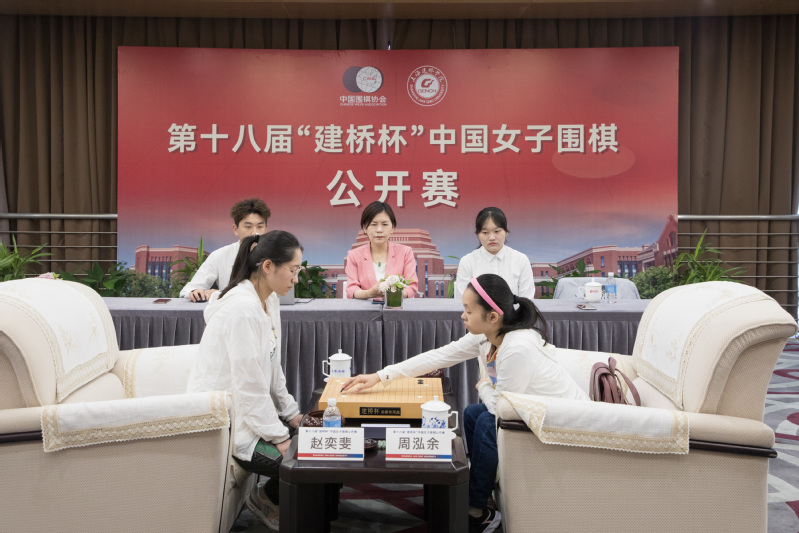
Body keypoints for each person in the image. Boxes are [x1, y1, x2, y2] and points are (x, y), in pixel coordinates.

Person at [342, 274, 587, 533]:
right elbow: (439, 356)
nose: (463, 316)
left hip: (559, 422)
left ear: (492, 316)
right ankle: (480, 495)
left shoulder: (517, 347)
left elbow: (501, 408)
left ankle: (476, 511)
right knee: (472, 413)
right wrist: (380, 376)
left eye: (469, 311)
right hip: (530, 411)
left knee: (485, 421)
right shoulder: (488, 335)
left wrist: (484, 386)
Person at [186, 230, 304, 530]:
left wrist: (291, 413)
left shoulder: (268, 300)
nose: (296, 279)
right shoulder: (242, 308)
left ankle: (271, 498)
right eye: (293, 270)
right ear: (268, 266)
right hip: (226, 421)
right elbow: (248, 386)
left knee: (318, 441)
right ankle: (268, 499)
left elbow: (272, 364)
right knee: (304, 463)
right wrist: (279, 437)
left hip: (247, 411)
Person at [179, 197, 270, 302]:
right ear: (235, 229)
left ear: (266, 228)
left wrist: (222, 294)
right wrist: (194, 292)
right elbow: (189, 289)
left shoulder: (279, 254)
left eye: (260, 227)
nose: (255, 233)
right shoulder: (219, 256)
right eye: (248, 227)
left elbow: (275, 296)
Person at [454, 207, 535, 301]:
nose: (492, 237)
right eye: (485, 232)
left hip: (514, 311)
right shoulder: (467, 262)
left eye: (497, 231)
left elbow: (527, 300)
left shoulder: (521, 260)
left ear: (506, 231)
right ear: (478, 234)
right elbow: (463, 301)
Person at [345, 201, 418, 299]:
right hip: (365, 307)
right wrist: (370, 293)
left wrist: (392, 294)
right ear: (365, 228)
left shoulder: (405, 252)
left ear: (392, 227)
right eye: (374, 224)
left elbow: (411, 287)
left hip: (395, 306)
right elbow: (351, 289)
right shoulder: (354, 255)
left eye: (384, 224)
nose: (379, 230)